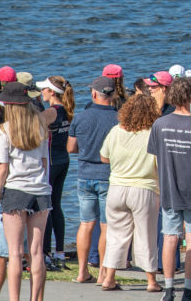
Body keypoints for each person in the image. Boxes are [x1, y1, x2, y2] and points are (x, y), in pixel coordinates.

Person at [148, 77, 191, 301]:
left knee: (169, 238)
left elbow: (156, 157)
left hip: (169, 189)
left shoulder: (160, 124)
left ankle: (168, 290)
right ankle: (188, 290)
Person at [0, 82, 58, 301]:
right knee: (36, 251)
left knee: (14, 253)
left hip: (15, 191)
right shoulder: (40, 128)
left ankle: (15, 299)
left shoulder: (3, 131)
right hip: (41, 191)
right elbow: (43, 162)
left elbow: (2, 169)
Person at [99, 93, 163, 292]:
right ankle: (151, 281)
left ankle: (109, 278)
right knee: (146, 236)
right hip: (144, 189)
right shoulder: (153, 133)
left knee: (116, 235)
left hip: (117, 188)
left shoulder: (116, 131)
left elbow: (104, 157)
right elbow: (159, 164)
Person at [68, 75, 121, 284]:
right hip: (108, 176)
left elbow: (71, 148)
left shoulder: (81, 117)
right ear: (114, 94)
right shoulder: (119, 117)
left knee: (86, 224)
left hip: (84, 174)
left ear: (93, 94)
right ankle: (102, 274)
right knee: (107, 226)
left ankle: (82, 272)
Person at [38, 76, 73, 270]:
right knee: (56, 206)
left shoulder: (52, 111)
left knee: (47, 207)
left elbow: (32, 128)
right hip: (63, 161)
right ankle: (59, 252)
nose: (41, 92)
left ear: (52, 92)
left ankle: (46, 253)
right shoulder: (67, 110)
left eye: (44, 89)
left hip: (51, 162)